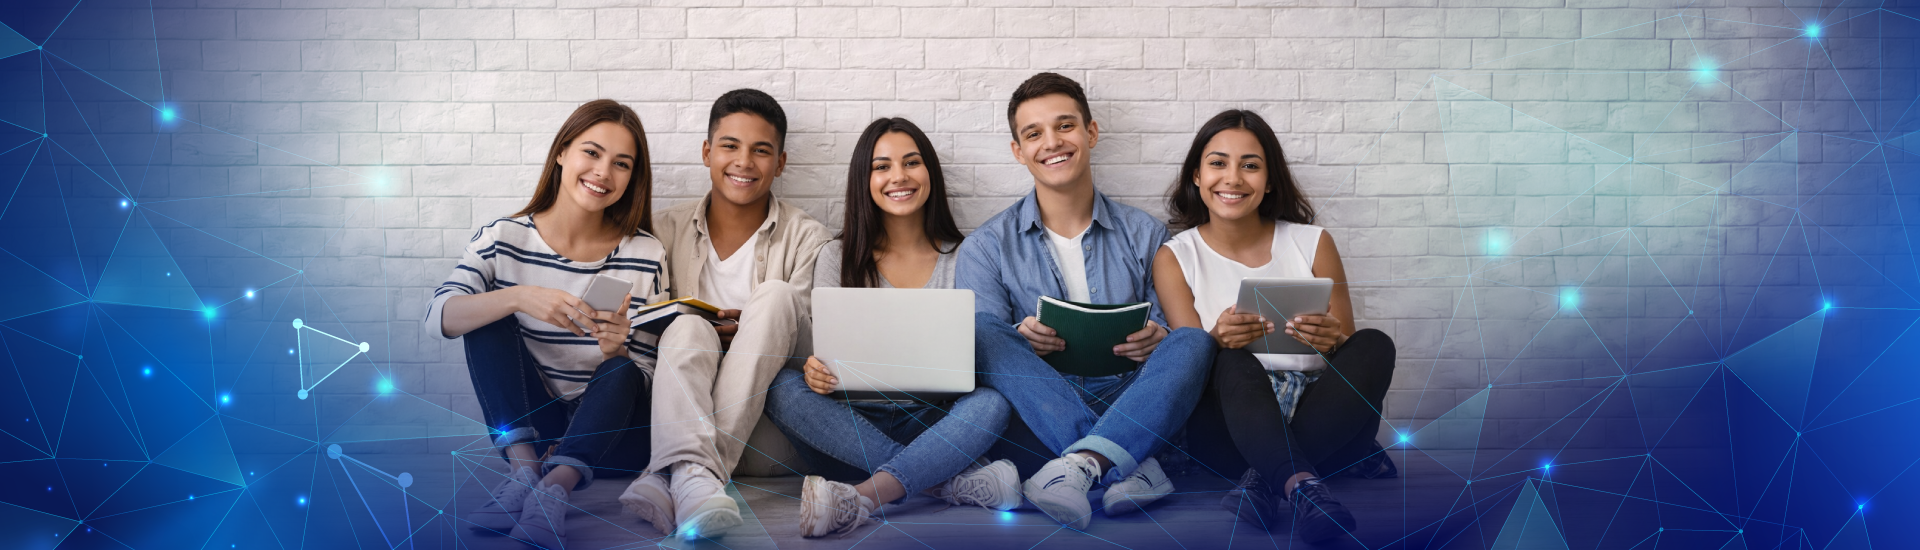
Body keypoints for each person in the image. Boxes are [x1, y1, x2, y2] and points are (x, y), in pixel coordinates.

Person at [956, 72, 1217, 530]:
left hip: (1131, 396)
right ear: (1018, 151)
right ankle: (1129, 465)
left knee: (1193, 341)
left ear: (1091, 132)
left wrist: (1158, 336)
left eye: (1065, 126)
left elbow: (1173, 342)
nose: (1052, 142)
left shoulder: (1147, 234)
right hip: (1041, 406)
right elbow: (980, 356)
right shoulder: (985, 246)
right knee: (979, 331)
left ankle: (1080, 466)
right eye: (1033, 134)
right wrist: (1019, 339)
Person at [762, 117, 1023, 538]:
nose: (898, 177)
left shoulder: (966, 257)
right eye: (881, 166)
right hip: (850, 428)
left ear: (930, 173)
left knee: (992, 402)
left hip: (935, 421)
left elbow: (983, 350)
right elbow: (823, 353)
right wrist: (816, 372)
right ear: (864, 180)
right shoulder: (836, 255)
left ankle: (864, 496)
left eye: (911, 162)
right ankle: (943, 481)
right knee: (780, 389)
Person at [426, 99, 666, 549]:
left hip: (613, 441)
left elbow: (651, 377)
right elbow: (439, 316)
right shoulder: (502, 238)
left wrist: (617, 349)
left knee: (622, 368)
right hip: (538, 433)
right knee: (485, 315)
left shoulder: (646, 253)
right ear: (562, 152)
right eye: (591, 153)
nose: (602, 173)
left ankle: (554, 491)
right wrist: (519, 297)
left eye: (621, 164)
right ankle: (524, 477)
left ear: (632, 178)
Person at [1155, 109, 1397, 543]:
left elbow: (1349, 354)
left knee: (1374, 344)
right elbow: (1185, 363)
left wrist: (1333, 341)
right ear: (1196, 175)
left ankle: (1273, 481)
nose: (1233, 178)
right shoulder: (1176, 256)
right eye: (1218, 163)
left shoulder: (1312, 241)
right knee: (1229, 359)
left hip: (1325, 417)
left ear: (1269, 181)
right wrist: (1214, 339)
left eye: (1250, 165)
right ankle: (1303, 483)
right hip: (1232, 432)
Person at [617, 89, 832, 541]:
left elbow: (806, 346)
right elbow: (643, 333)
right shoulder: (662, 231)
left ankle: (675, 473)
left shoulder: (808, 238)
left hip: (767, 432)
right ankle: (692, 477)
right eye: (730, 146)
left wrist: (753, 328)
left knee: (775, 297)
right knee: (689, 324)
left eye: (761, 150)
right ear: (707, 152)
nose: (744, 162)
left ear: (781, 162)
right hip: (678, 414)